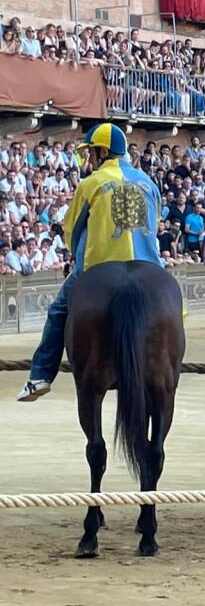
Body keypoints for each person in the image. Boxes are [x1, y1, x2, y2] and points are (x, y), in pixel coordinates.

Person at [18, 123, 161, 401]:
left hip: (100, 265)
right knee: (172, 307)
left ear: (103, 152)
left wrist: (77, 257)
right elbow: (156, 224)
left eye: (91, 153)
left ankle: (40, 375)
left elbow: (72, 228)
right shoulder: (149, 183)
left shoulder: (90, 183)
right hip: (149, 266)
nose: (88, 159)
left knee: (59, 312)